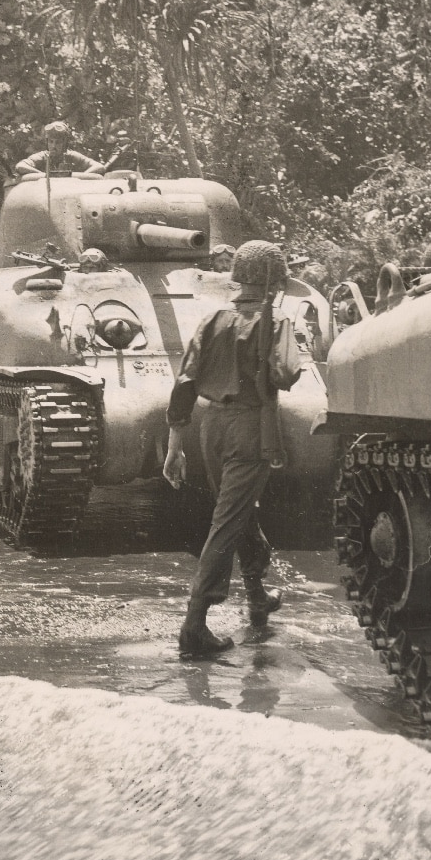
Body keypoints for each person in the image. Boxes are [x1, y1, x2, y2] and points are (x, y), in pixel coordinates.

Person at [162, 240, 303, 657]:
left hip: (212, 430)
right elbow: (287, 375)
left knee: (238, 510)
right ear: (273, 282)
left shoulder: (212, 319)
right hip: (251, 428)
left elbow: (185, 382)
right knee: (227, 521)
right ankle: (194, 625)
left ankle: (256, 592)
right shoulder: (275, 322)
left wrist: (174, 445)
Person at [14, 121, 107, 176]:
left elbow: (99, 167)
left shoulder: (71, 156)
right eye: (51, 142)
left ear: (65, 143)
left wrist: (80, 178)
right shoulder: (43, 156)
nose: (53, 146)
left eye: (58, 142)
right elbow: (20, 166)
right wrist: (43, 176)